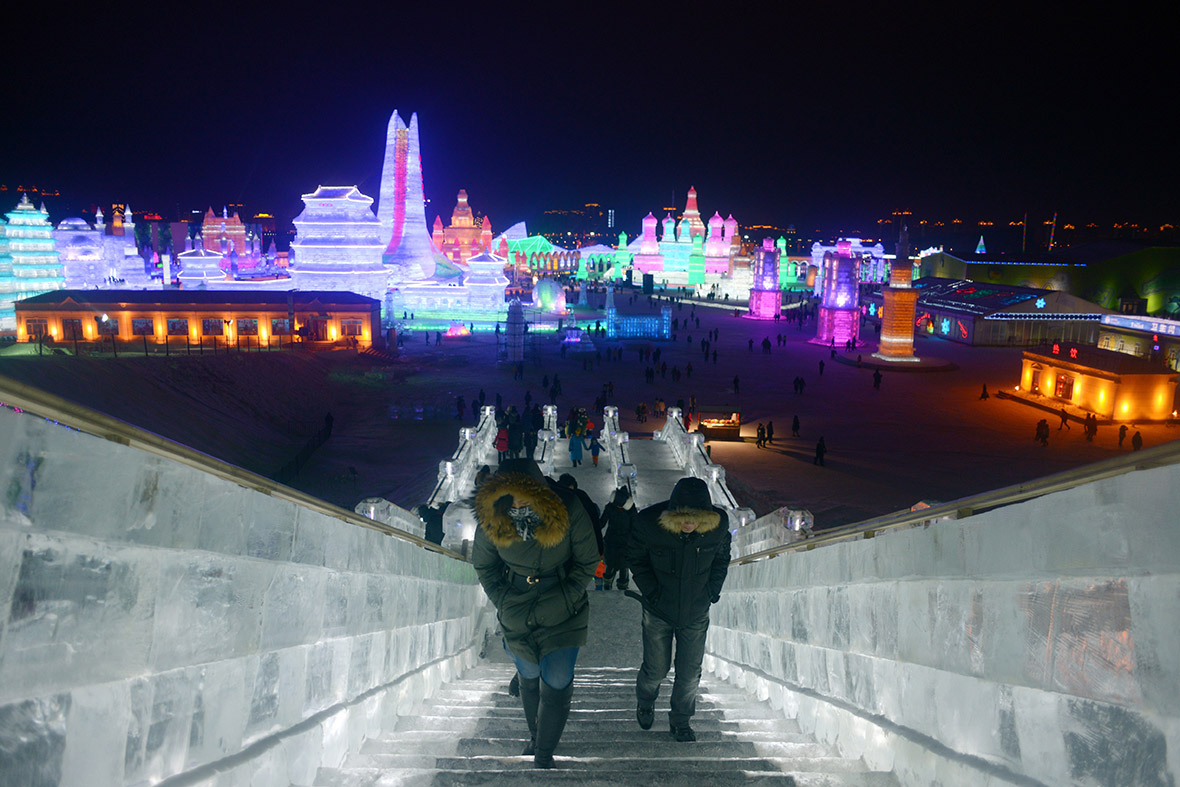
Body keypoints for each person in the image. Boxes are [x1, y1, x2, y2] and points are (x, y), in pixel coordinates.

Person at [472, 459, 600, 768]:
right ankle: (535, 735)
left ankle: (544, 753)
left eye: (523, 493)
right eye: (510, 494)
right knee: (529, 675)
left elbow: (588, 559)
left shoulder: (566, 507)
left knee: (556, 677)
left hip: (562, 603)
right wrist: (504, 599)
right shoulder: (493, 517)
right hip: (516, 605)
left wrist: (568, 596)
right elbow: (484, 565)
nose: (517, 502)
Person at [627, 477, 731, 742]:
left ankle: (681, 721)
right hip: (658, 610)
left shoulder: (717, 528)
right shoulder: (651, 524)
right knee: (656, 670)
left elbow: (721, 557)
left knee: (689, 674)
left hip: (696, 611)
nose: (689, 523)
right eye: (683, 517)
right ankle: (646, 700)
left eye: (695, 518)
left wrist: (712, 591)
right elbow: (636, 558)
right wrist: (652, 592)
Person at [602, 487, 636, 590]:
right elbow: (636, 526)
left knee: (610, 564)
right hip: (625, 542)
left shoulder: (610, 507)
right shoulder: (631, 510)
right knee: (623, 566)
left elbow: (602, 522)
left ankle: (607, 585)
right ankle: (623, 587)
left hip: (611, 540)